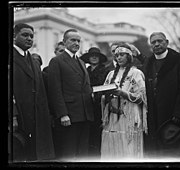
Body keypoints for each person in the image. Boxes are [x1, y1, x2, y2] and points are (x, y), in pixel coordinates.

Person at [141, 32, 180, 158]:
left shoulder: (179, 60)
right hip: (153, 116)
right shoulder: (149, 62)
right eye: (153, 42)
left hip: (171, 117)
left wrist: (179, 115)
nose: (157, 44)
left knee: (171, 154)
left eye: (160, 41)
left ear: (167, 42)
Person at [47, 28, 94, 160]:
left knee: (83, 152)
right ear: (64, 41)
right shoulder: (57, 61)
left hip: (85, 115)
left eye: (78, 41)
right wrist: (62, 114)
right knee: (69, 152)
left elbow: (86, 87)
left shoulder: (81, 62)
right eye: (73, 40)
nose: (76, 43)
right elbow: (55, 90)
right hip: (69, 115)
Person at [12, 23, 55, 161]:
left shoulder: (34, 62)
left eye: (31, 36)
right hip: (19, 118)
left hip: (37, 119)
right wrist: (12, 116)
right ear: (14, 36)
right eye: (25, 35)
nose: (29, 38)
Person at [100, 43, 148, 160]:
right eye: (117, 55)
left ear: (129, 56)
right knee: (111, 148)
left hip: (129, 116)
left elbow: (142, 97)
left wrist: (123, 93)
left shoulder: (136, 73)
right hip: (112, 116)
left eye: (122, 55)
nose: (119, 58)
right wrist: (104, 95)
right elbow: (104, 92)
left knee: (128, 148)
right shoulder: (111, 74)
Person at [80, 47, 108, 158]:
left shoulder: (106, 70)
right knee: (88, 131)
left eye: (96, 55)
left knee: (98, 131)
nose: (94, 57)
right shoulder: (85, 70)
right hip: (87, 104)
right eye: (92, 56)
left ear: (100, 58)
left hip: (99, 104)